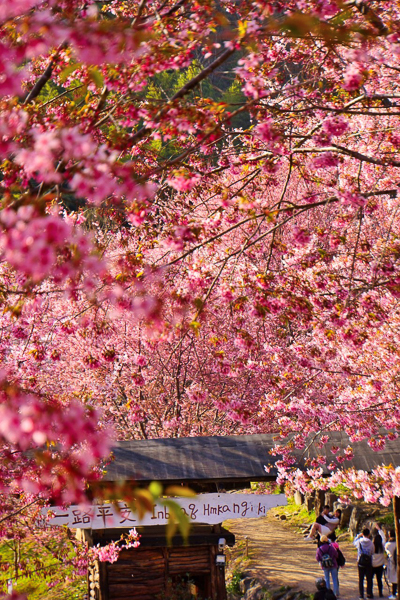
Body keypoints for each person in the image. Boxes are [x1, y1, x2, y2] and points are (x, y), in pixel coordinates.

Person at [354, 527, 375, 599]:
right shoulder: (371, 543)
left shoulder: (359, 541)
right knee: (369, 579)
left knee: (361, 579)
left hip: (360, 562)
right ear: (369, 534)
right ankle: (369, 594)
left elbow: (354, 543)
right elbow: (372, 552)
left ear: (363, 534)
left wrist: (358, 536)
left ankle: (361, 595)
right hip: (368, 562)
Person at [372, 531, 385, 598]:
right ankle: (380, 593)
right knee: (379, 580)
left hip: (373, 565)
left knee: (370, 579)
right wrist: (380, 530)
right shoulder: (382, 547)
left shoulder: (372, 546)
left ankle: (370, 592)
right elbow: (384, 538)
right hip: (380, 565)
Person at [385, 530, 397, 600]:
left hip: (392, 563)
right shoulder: (397, 543)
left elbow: (387, 553)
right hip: (396, 562)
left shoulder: (387, 544)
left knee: (393, 579)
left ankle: (394, 594)